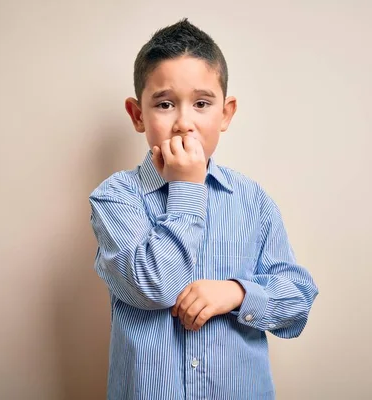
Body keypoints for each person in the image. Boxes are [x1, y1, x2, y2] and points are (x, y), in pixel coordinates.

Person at [89, 18, 318, 400]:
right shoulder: (117, 198)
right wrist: (187, 188)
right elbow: (155, 287)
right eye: (164, 104)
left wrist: (237, 294)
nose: (184, 122)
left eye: (201, 103)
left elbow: (298, 302)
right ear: (137, 114)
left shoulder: (252, 200)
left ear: (226, 113)